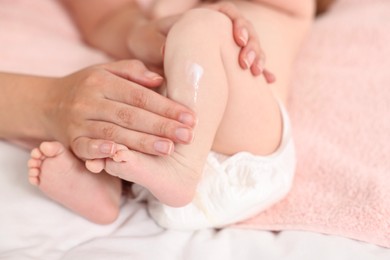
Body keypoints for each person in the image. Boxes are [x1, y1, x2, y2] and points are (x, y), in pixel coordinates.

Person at [27, 0, 332, 227]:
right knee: (110, 96)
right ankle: (107, 188)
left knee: (204, 25)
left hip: (247, 145)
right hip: (158, 151)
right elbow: (107, 21)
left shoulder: (286, 10)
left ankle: (179, 165)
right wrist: (141, 29)